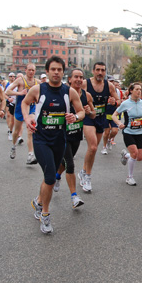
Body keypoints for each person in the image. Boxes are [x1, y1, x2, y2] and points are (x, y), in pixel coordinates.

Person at [24, 56, 85, 234]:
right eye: (53, 69)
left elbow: (81, 111)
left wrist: (75, 117)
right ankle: (45, 215)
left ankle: (38, 200)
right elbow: (25, 103)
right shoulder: (38, 89)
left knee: (49, 177)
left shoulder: (69, 92)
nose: (56, 72)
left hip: (60, 140)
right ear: (48, 71)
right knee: (50, 176)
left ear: (63, 72)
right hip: (41, 139)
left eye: (59, 69)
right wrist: (28, 117)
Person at [53, 68, 95, 209]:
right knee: (70, 164)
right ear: (69, 79)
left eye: (81, 77)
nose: (78, 79)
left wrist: (89, 112)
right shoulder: (62, 92)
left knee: (64, 164)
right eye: (75, 77)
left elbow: (93, 114)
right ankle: (74, 197)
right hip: (62, 135)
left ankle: (57, 176)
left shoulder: (86, 95)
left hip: (76, 134)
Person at [78, 62, 116, 192]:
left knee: (92, 149)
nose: (100, 72)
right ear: (93, 71)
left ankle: (83, 171)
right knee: (93, 147)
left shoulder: (109, 85)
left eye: (103, 70)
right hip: (88, 118)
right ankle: (88, 177)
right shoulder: (85, 84)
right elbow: (74, 96)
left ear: (105, 72)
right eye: (98, 70)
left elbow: (118, 100)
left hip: (101, 118)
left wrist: (114, 101)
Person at [113, 83, 142, 185]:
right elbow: (114, 115)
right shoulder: (125, 103)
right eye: (137, 89)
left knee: (140, 157)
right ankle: (130, 177)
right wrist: (119, 123)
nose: (139, 91)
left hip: (139, 132)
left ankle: (126, 156)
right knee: (134, 153)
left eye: (140, 89)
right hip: (128, 132)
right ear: (131, 91)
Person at [6, 63, 38, 164]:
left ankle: (30, 155)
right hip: (20, 108)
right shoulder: (20, 80)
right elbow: (7, 91)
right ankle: (13, 146)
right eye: (29, 70)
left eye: (33, 70)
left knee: (30, 130)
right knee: (16, 131)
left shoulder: (38, 82)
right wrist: (20, 93)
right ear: (26, 70)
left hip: (32, 108)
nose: (31, 72)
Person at [102, 77, 121, 155]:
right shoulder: (103, 90)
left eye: (113, 81)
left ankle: (109, 140)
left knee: (115, 131)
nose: (112, 83)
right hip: (105, 113)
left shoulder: (117, 92)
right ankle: (104, 147)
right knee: (106, 131)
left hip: (114, 113)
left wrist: (116, 104)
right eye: (110, 81)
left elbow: (120, 101)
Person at [4, 72, 17, 141]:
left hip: (18, 104)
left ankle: (19, 136)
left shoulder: (20, 85)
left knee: (18, 120)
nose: (12, 77)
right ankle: (10, 129)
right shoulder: (8, 84)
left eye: (13, 76)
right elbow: (4, 93)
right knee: (9, 115)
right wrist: (8, 99)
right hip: (9, 102)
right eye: (11, 76)